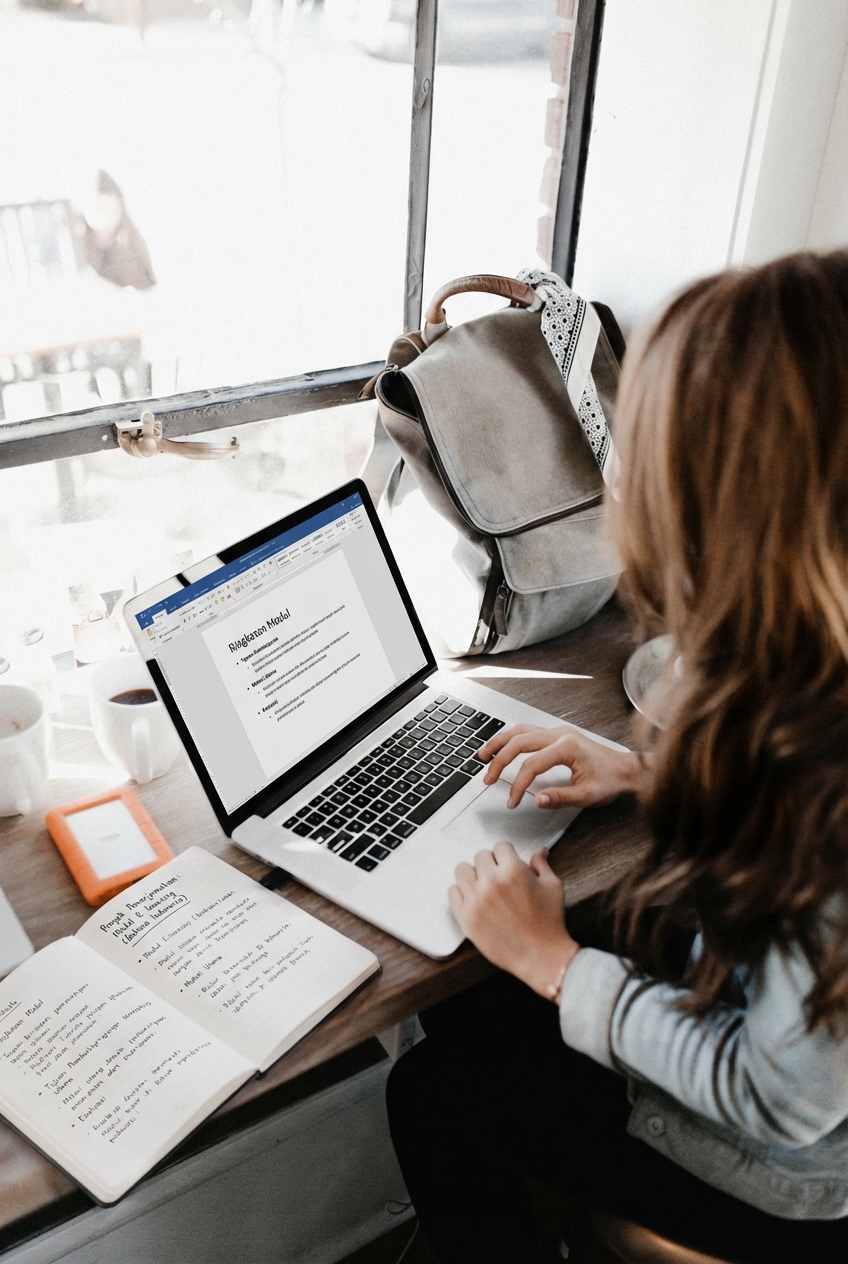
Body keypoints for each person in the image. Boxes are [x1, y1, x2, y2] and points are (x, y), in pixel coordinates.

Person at [386, 250, 848, 1264]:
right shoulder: (806, 688)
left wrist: (552, 963)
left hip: (797, 1185)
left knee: (436, 1089)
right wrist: (647, 771)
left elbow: (781, 1099)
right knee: (477, 1013)